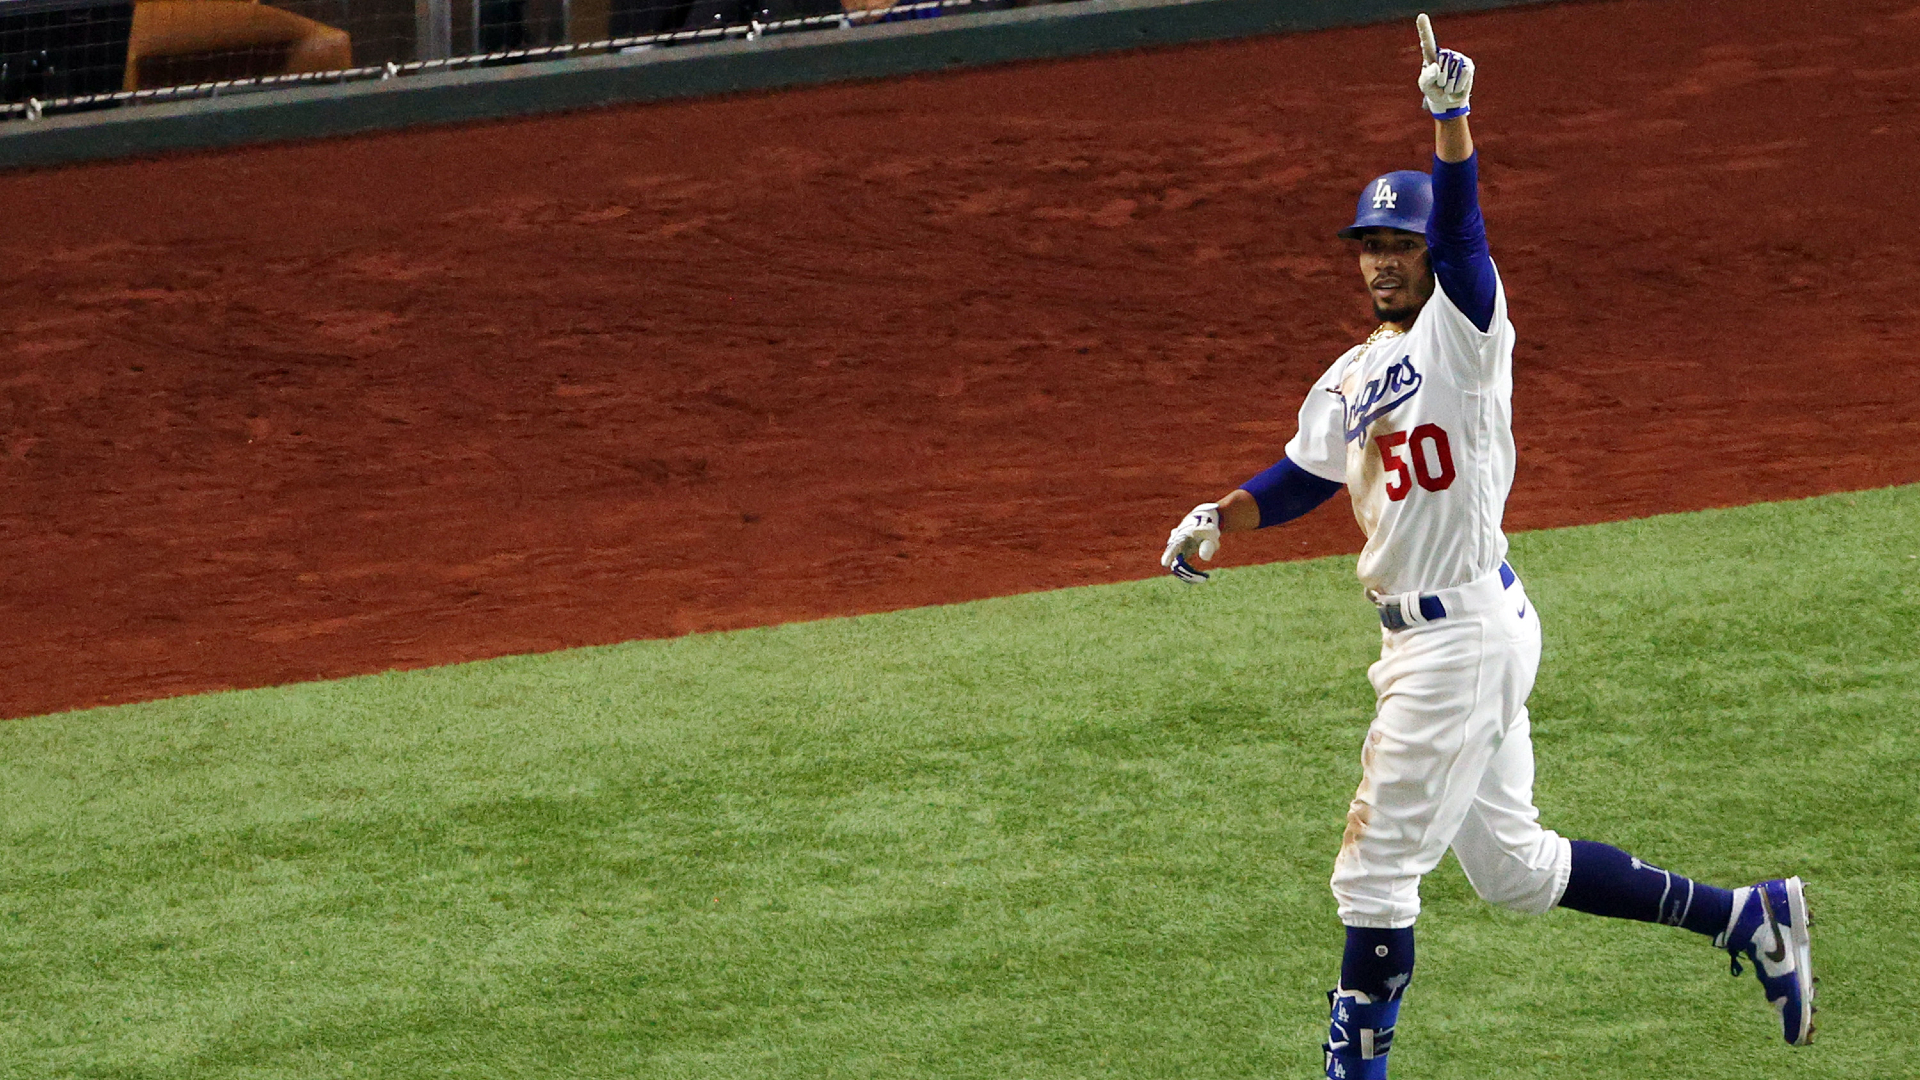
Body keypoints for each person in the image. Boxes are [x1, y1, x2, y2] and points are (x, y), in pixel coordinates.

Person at [1157, 15, 1815, 1078]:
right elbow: (1306, 473)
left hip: (1458, 634)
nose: (1381, 262)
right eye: (1369, 246)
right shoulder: (1350, 373)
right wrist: (1220, 516)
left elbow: (1466, 237)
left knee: (1372, 882)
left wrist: (1451, 124)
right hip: (1454, 631)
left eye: (1398, 245)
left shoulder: (1467, 334)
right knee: (1514, 868)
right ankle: (1750, 916)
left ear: (1429, 257)